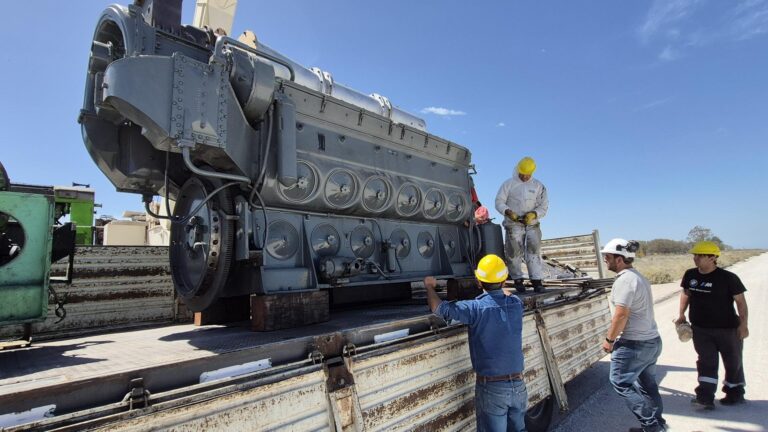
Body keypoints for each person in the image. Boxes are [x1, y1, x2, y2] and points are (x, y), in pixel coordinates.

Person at [424, 254, 527, 431]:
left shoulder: (475, 308)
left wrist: (430, 287)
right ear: (504, 281)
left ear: (479, 282)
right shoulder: (516, 304)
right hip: (518, 386)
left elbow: (438, 308)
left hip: (492, 388)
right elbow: (509, 296)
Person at [600, 238, 665, 432]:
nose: (606, 261)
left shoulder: (625, 280)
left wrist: (609, 340)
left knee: (620, 382)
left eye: (608, 257)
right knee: (648, 385)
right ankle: (656, 423)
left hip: (635, 344)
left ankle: (651, 426)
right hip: (651, 341)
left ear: (619, 259)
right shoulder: (638, 277)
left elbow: (621, 315)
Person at [675, 241, 749, 409]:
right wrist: (681, 314)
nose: (695, 258)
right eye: (695, 255)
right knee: (706, 362)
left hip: (728, 329)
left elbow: (741, 303)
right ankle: (705, 397)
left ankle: (735, 393)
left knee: (733, 361)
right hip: (700, 329)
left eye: (700, 256)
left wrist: (743, 325)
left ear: (713, 257)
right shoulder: (690, 275)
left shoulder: (728, 278)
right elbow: (686, 294)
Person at [494, 157, 548, 293]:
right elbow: (499, 201)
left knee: (533, 252)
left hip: (532, 224)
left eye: (527, 174)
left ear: (532, 173)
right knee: (514, 253)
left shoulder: (538, 186)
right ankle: (518, 280)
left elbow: (544, 206)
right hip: (514, 224)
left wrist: (534, 214)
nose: (525, 177)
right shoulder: (508, 184)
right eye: (522, 173)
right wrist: (508, 212)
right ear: (518, 170)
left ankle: (537, 281)